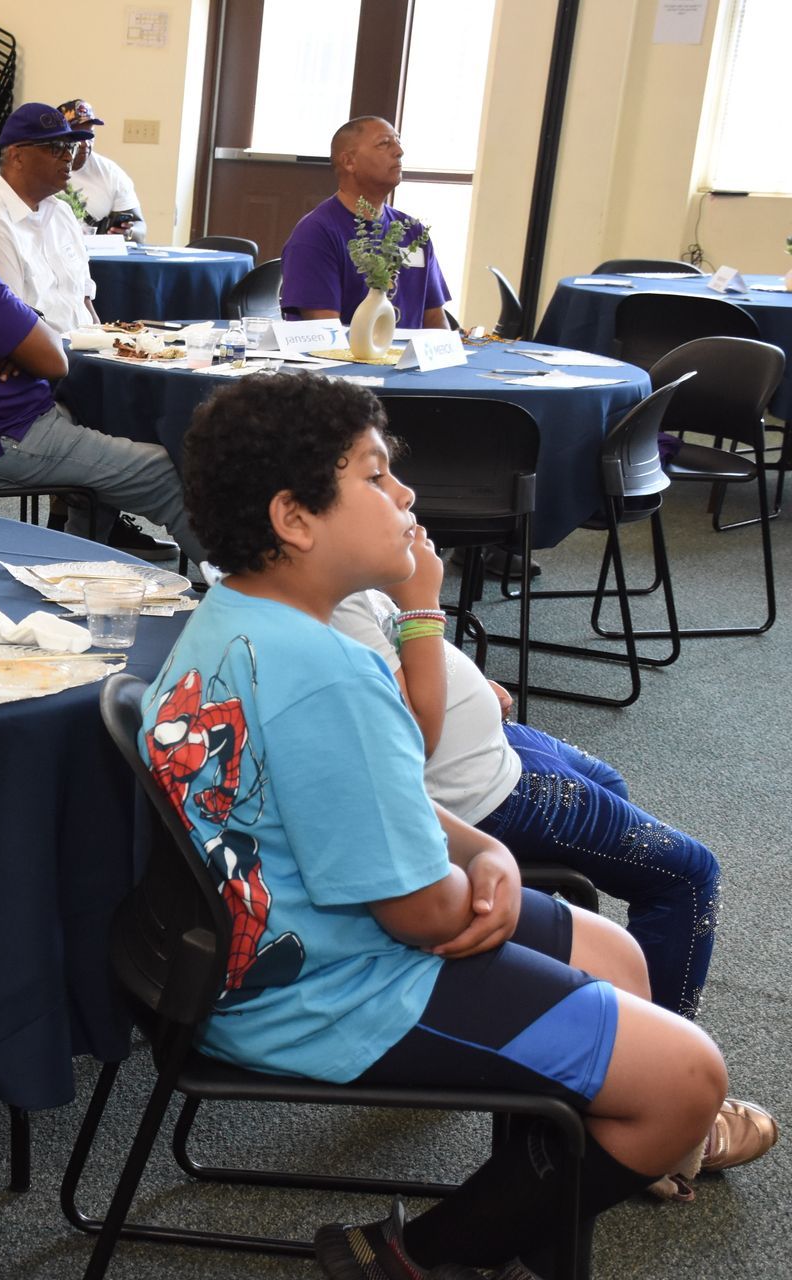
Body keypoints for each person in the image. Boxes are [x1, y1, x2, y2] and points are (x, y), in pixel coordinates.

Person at [141, 372, 728, 1280]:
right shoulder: (333, 677)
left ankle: (520, 1214)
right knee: (690, 1081)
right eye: (376, 477)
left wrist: (485, 848)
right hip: (324, 991)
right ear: (295, 518)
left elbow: (370, 805)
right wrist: (472, 884)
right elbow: (420, 916)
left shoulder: (237, 617)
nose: (406, 495)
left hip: (273, 943)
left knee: (616, 958)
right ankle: (412, 1260)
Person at [329, 563, 772, 1202]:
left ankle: (598, 1049)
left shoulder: (339, 573)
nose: (403, 493)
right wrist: (424, 606)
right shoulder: (326, 596)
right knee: (688, 874)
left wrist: (462, 678)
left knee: (609, 786)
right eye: (375, 477)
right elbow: (402, 740)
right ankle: (660, 1099)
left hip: (492, 745)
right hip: (477, 795)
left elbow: (389, 664)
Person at [0, 129, 199, 557]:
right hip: (3, 434)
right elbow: (54, 361)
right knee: (163, 469)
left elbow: (40, 344)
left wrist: (17, 340)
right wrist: (22, 339)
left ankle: (88, 563)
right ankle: (243, 597)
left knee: (103, 427)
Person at [279, 116, 450, 329]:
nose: (399, 151)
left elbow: (436, 322)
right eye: (384, 144)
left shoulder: (413, 232)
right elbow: (324, 334)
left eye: (398, 142)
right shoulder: (316, 233)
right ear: (349, 162)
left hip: (406, 360)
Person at [0, 102, 97, 336]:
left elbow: (84, 301)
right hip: (45, 361)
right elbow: (6, 324)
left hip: (85, 352)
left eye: (69, 147)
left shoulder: (62, 212)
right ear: (17, 156)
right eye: (55, 147)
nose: (67, 157)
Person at [58, 99, 142, 233]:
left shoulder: (111, 173)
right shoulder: (42, 168)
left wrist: (128, 233)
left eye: (90, 135)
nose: (85, 143)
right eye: (78, 136)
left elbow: (140, 227)